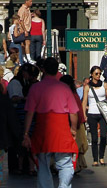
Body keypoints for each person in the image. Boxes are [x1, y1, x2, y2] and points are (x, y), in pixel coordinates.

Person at [23, 57, 80, 188]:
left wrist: (26, 133)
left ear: (43, 70)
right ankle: (64, 186)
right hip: (62, 128)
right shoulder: (65, 88)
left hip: (43, 128)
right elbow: (73, 113)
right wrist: (73, 129)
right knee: (65, 163)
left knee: (43, 164)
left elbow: (30, 113)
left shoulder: (36, 88)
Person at [82, 65, 107, 166]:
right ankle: (95, 159)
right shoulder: (87, 87)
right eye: (96, 74)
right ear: (91, 75)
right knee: (94, 138)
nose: (98, 75)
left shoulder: (104, 85)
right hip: (92, 113)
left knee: (104, 136)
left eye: (100, 73)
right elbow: (84, 101)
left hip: (103, 114)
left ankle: (102, 157)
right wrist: (83, 115)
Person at [61, 74, 89, 173]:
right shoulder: (74, 94)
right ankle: (76, 165)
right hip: (76, 124)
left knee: (74, 146)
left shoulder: (70, 94)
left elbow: (75, 112)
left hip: (72, 124)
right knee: (77, 146)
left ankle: (74, 165)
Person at [15, 0, 33, 64]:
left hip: (27, 28)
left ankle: (24, 57)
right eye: (30, 1)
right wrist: (25, 30)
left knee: (24, 44)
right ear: (26, 1)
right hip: (24, 29)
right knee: (27, 43)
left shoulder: (28, 9)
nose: (31, 3)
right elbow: (21, 20)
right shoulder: (22, 9)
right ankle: (28, 58)